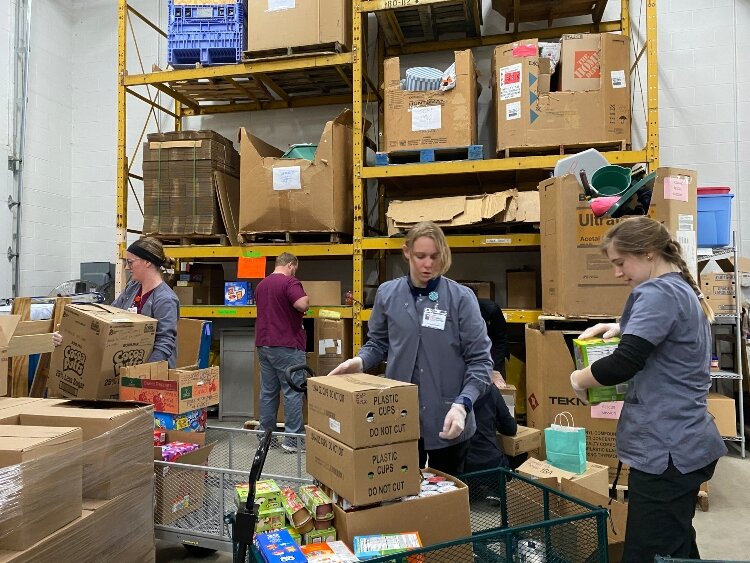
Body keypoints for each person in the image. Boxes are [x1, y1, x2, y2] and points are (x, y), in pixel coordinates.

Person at [569, 216, 726, 562]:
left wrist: (579, 379)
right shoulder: (682, 289)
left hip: (666, 453)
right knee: (676, 542)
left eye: (620, 262)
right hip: (685, 445)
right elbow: (666, 333)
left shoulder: (657, 292)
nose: (617, 273)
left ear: (649, 253)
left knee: (649, 552)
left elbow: (624, 362)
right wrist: (620, 324)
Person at [328, 221, 492, 475]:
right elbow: (378, 343)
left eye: (435, 256)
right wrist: (359, 362)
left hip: (448, 418)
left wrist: (463, 405)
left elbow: (481, 362)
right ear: (406, 253)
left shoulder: (461, 299)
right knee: (400, 498)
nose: (428, 264)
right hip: (399, 419)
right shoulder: (388, 294)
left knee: (446, 500)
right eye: (421, 256)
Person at [52, 237, 180, 367]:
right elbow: (107, 319)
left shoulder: (165, 299)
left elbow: (164, 343)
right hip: (127, 362)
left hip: (154, 374)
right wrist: (68, 336)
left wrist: (143, 372)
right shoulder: (133, 288)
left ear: (147, 262)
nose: (126, 267)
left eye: (130, 262)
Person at [254, 253, 309, 453]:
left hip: (264, 344)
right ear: (290, 265)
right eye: (295, 267)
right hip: (287, 344)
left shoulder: (261, 285)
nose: (295, 271)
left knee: (268, 392)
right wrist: (307, 301)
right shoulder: (290, 282)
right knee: (292, 391)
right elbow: (301, 304)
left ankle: (265, 438)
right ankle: (293, 441)